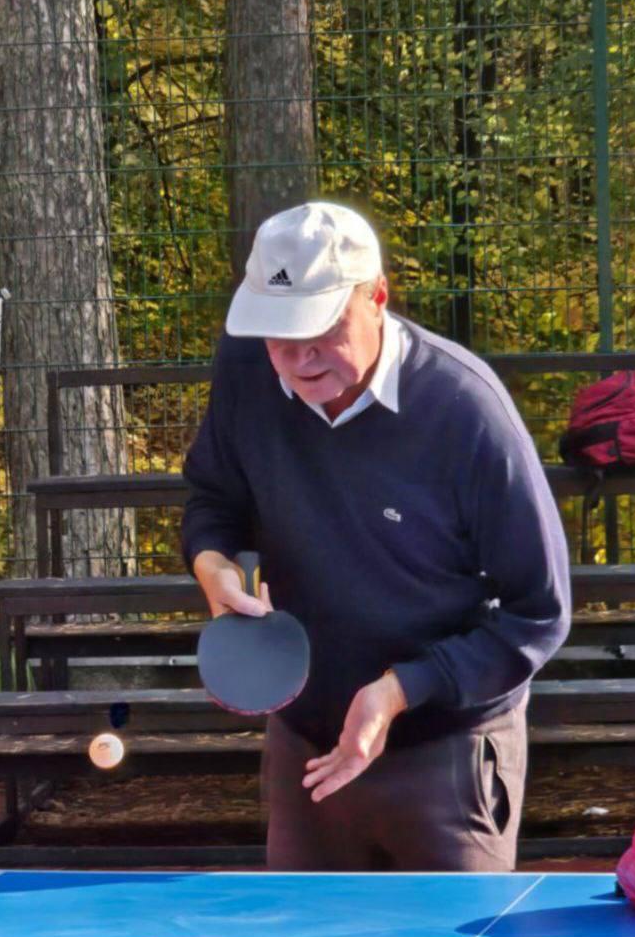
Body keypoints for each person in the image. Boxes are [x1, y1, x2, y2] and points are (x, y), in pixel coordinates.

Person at [182, 201, 570, 871]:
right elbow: (215, 500)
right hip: (304, 741)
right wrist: (216, 571)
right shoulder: (245, 371)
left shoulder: (466, 412)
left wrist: (398, 690)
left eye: (321, 330)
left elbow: (539, 614)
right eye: (278, 335)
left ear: (378, 297)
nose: (299, 360)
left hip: (445, 746)